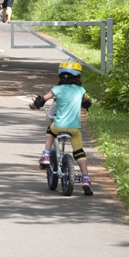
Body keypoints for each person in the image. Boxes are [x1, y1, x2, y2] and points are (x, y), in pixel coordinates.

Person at [29, 58, 93, 196]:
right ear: (77, 76)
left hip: (58, 126)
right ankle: (86, 179)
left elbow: (42, 100)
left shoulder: (57, 89)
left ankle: (46, 155)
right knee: (79, 152)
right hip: (75, 129)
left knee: (50, 131)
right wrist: (86, 104)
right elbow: (87, 102)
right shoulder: (81, 90)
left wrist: (34, 105)